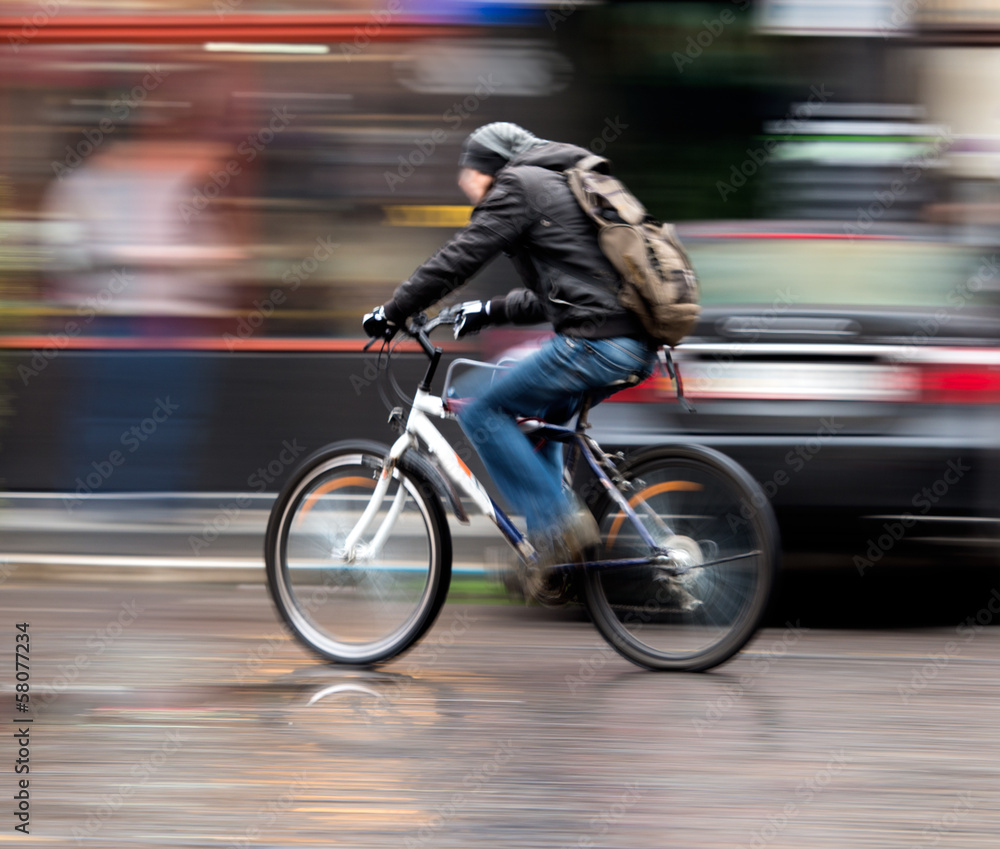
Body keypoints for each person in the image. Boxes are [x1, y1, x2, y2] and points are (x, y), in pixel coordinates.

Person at [363, 122, 658, 568]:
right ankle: (553, 555)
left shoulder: (519, 184)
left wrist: (393, 310)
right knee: (542, 419)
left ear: (491, 166)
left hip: (597, 343)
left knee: (481, 409)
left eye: (470, 174)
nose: (466, 186)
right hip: (631, 343)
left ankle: (559, 528)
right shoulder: (556, 185)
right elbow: (563, 293)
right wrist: (489, 310)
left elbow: (458, 258)